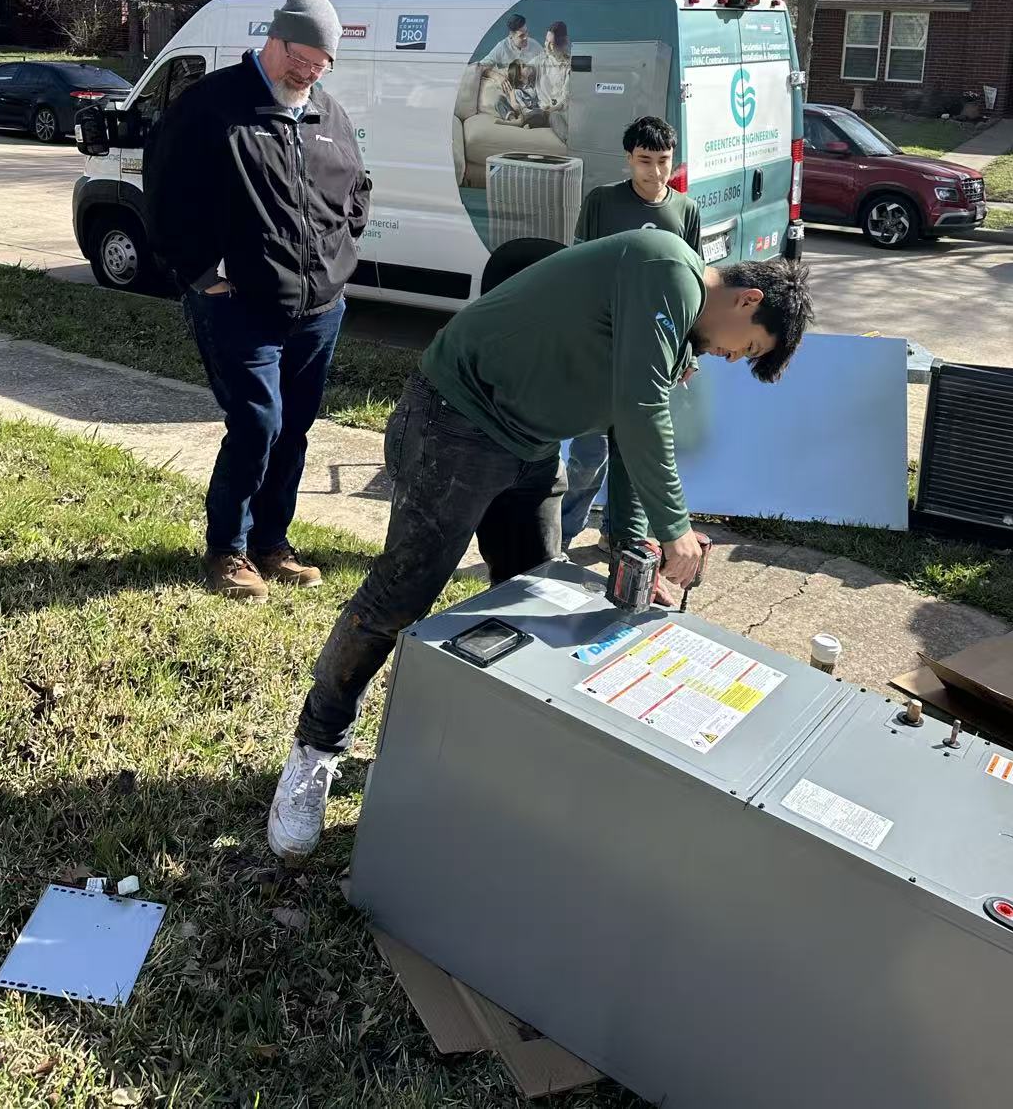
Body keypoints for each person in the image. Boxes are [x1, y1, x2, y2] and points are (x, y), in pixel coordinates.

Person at [267, 231, 812, 859]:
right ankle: (316, 747)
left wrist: (636, 546)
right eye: (748, 348)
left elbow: (628, 433)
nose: (731, 357)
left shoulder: (677, 333)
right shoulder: (667, 269)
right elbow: (641, 408)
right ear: (747, 301)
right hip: (456, 421)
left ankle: (492, 752)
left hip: (530, 448)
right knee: (399, 597)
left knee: (536, 602)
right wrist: (675, 528)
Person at [144, 0, 371, 603]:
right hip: (239, 304)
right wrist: (202, 275)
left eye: (323, 64)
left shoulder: (328, 114)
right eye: (302, 58)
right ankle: (228, 548)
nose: (310, 73)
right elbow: (165, 195)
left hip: (319, 310)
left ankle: (273, 542)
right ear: (275, 39)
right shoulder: (211, 106)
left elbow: (356, 189)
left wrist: (340, 256)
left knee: (294, 428)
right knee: (256, 424)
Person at [561, 114, 702, 550]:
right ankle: (559, 536)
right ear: (628, 158)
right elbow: (579, 271)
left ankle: (620, 538)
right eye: (645, 160)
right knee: (588, 455)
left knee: (636, 454)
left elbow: (693, 289)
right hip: (602, 349)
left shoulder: (686, 211)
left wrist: (689, 353)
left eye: (664, 160)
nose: (655, 172)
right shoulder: (602, 201)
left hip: (653, 356)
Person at [516, 20, 571, 143]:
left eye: (551, 43)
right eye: (546, 41)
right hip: (540, 110)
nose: (546, 46)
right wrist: (525, 71)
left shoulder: (569, 66)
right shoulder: (541, 60)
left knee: (554, 117)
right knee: (535, 112)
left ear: (563, 42)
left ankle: (570, 142)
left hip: (558, 112)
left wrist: (551, 110)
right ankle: (524, 121)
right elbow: (526, 70)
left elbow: (565, 100)